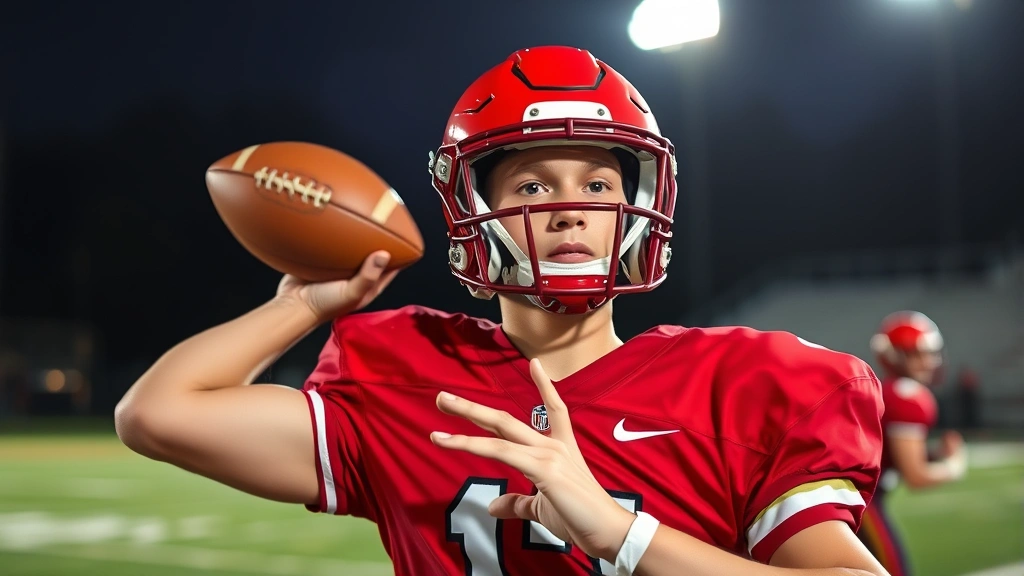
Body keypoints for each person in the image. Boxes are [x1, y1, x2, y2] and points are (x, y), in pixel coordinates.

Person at [116, 46, 891, 575]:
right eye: (531, 185)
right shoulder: (408, 375)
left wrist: (623, 534)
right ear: (471, 212)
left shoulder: (748, 383)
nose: (568, 209)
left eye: (597, 185)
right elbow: (157, 414)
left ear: (637, 207)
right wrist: (308, 303)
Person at [860, 311, 967, 576]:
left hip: (854, 497)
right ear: (897, 356)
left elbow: (888, 453)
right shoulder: (908, 397)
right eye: (918, 353)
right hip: (860, 501)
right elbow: (917, 477)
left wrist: (933, 454)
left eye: (929, 353)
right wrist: (955, 465)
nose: (929, 361)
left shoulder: (890, 391)